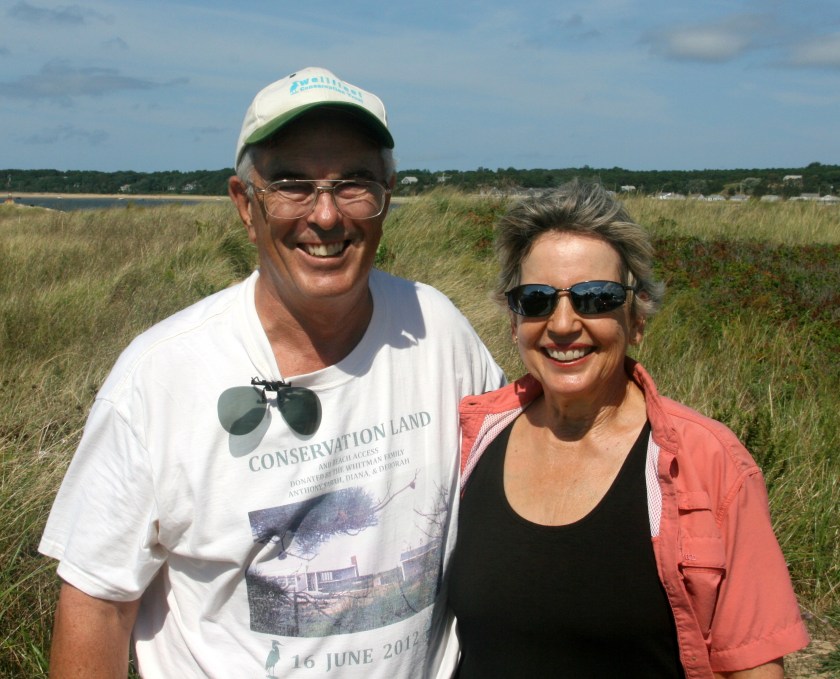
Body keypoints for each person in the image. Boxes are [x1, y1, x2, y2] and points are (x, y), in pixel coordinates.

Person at [39, 66, 504, 678]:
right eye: (292, 186)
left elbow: (521, 485)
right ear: (245, 204)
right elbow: (97, 604)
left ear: (387, 196)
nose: (327, 215)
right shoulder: (160, 376)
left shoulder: (439, 331)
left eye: (355, 184)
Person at [448, 181, 809, 679]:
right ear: (514, 323)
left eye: (596, 298)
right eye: (535, 300)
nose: (563, 324)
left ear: (636, 318)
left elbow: (752, 667)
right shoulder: (471, 440)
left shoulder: (707, 462)